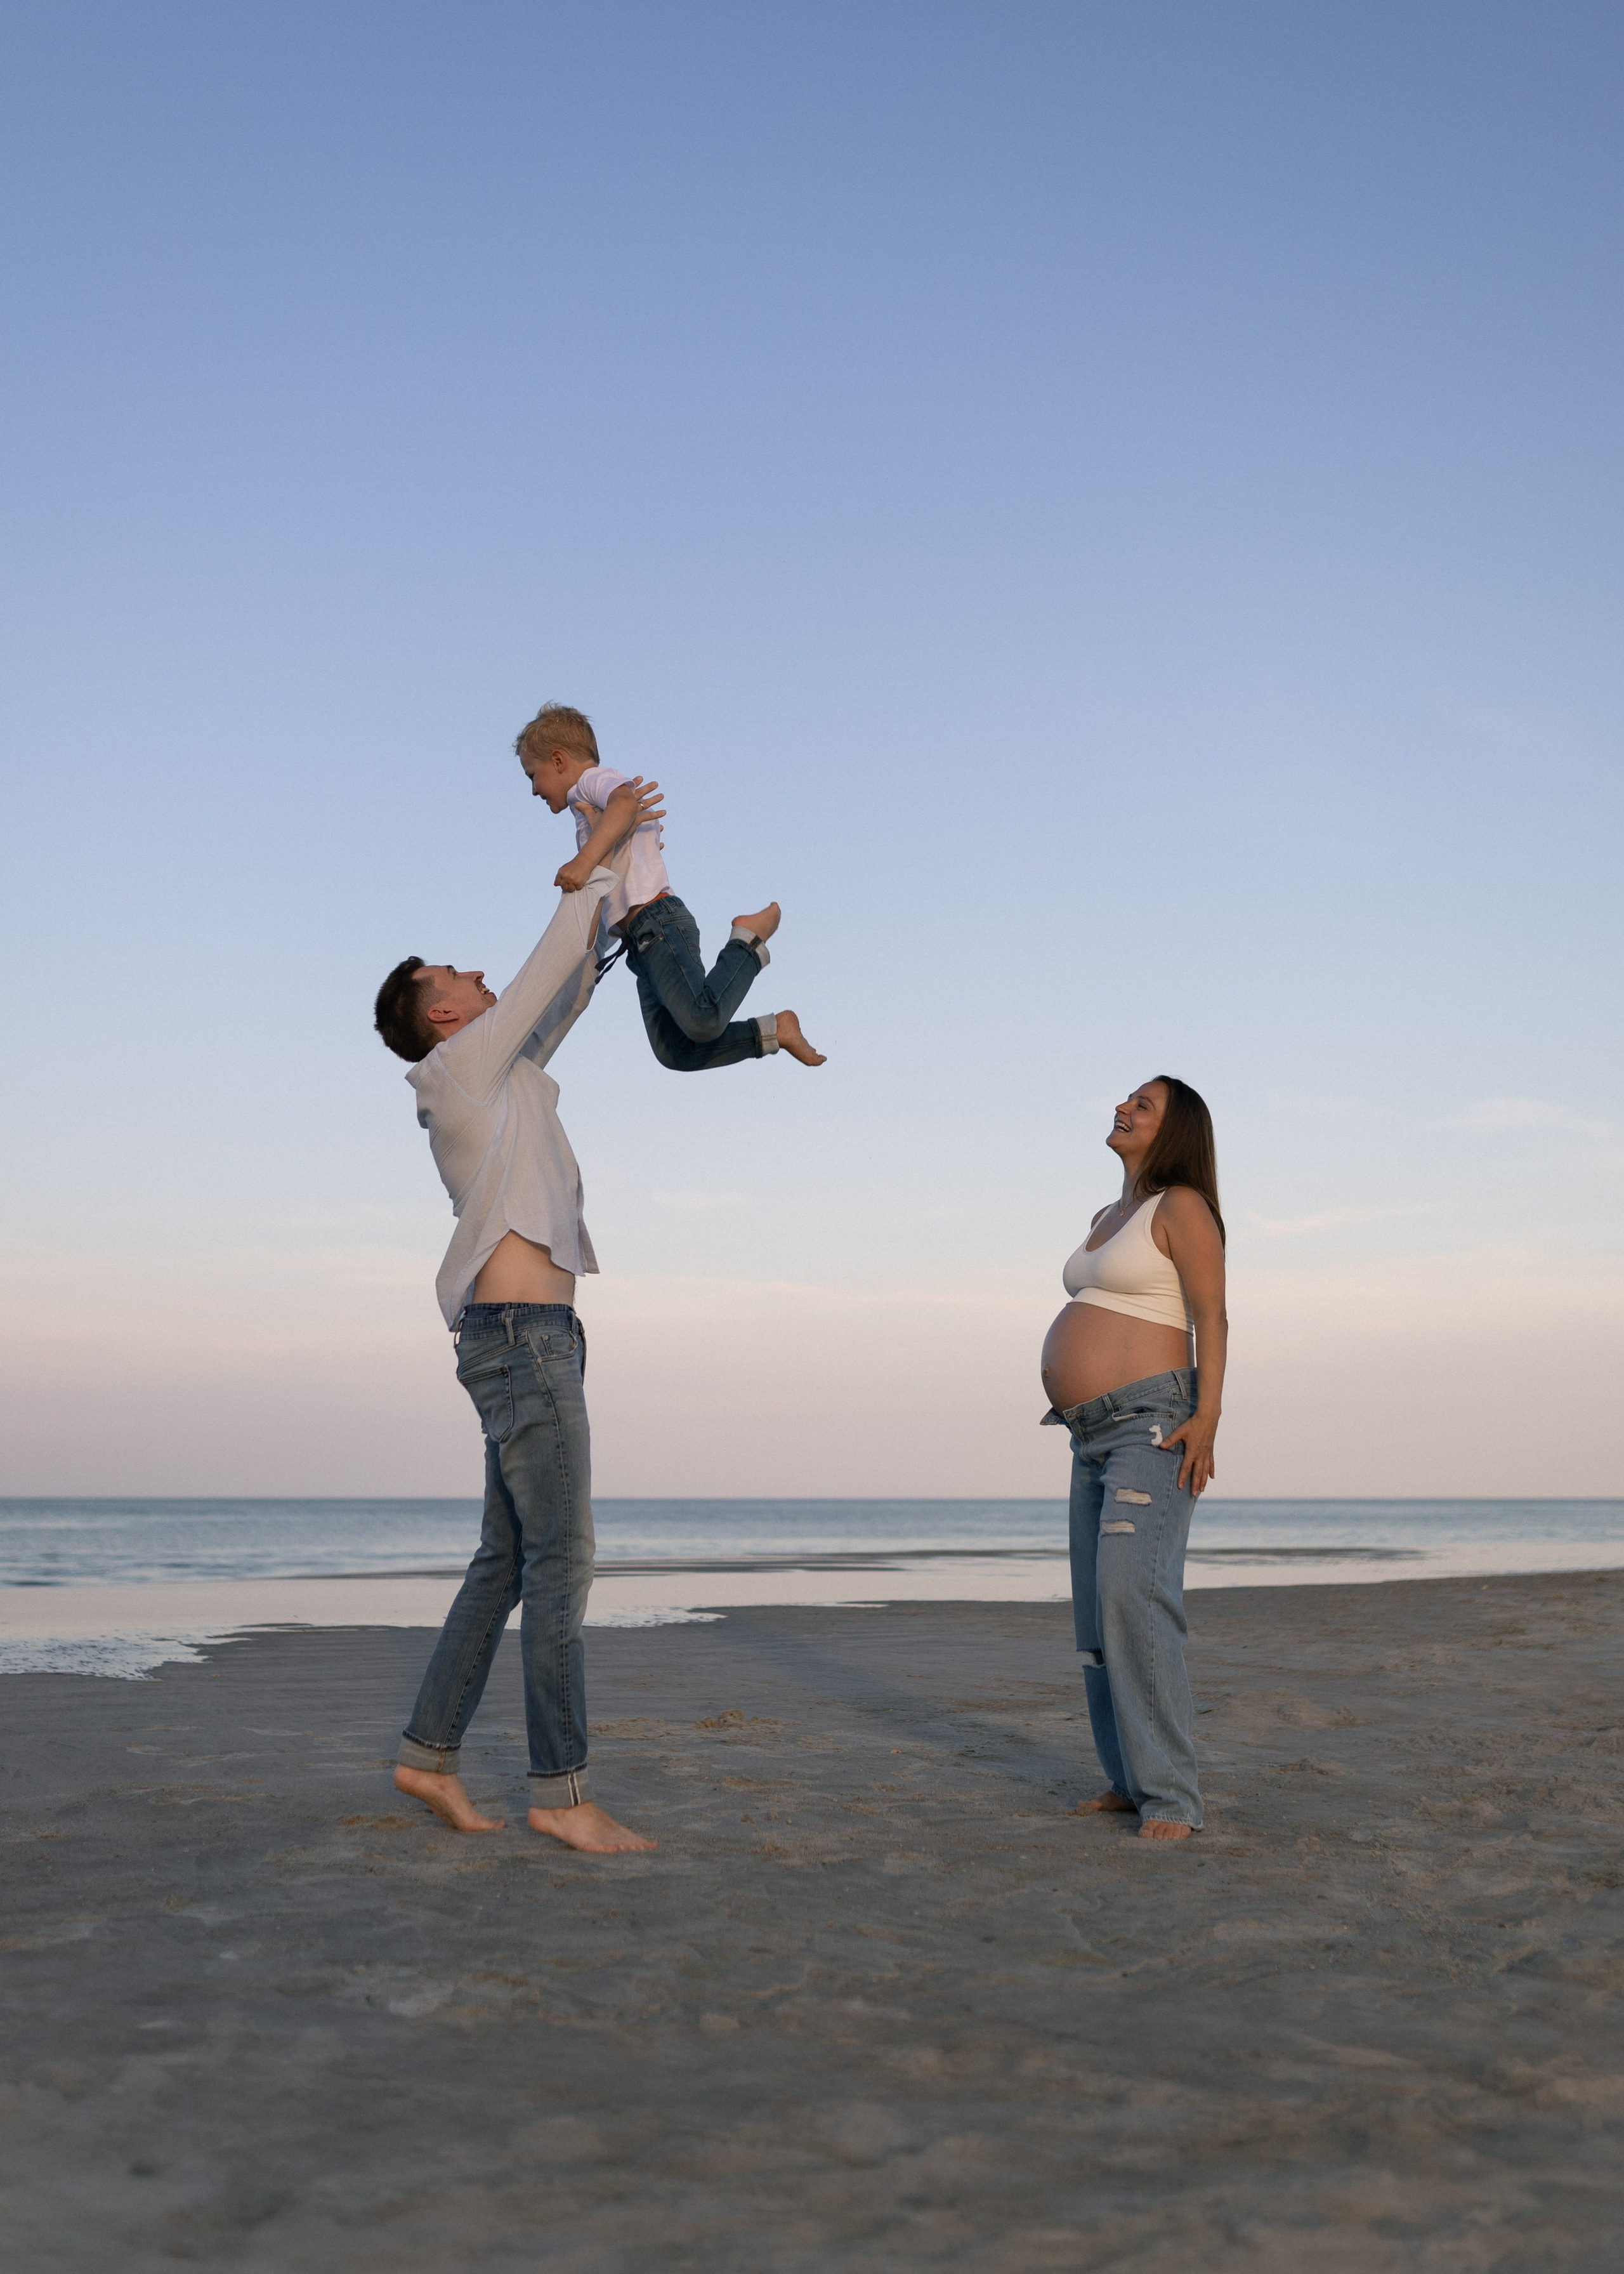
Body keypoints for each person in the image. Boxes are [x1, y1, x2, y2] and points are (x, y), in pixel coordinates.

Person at [370, 773, 664, 1853]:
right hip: (520, 1341)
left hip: (534, 1341)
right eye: (459, 972)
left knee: (506, 1557)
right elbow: (542, 965)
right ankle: (561, 1789)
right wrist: (594, 858)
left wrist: (608, 866)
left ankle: (426, 1755)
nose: (481, 973)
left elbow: (566, 985)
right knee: (561, 1559)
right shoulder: (455, 1071)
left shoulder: (507, 1079)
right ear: (439, 1015)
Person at [1039, 1077, 1228, 1841]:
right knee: (1095, 1613)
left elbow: (1211, 1313)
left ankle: (1172, 1797)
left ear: (1174, 1128)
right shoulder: (1105, 1216)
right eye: (1125, 1099)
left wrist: (1207, 1417)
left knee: (1133, 1596)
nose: (1122, 1108)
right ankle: (1127, 1779)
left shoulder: (1181, 1206)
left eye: (1142, 1105)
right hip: (1088, 1432)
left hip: (1152, 1424)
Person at [514, 701, 826, 1073]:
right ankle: (773, 1032)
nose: (534, 789)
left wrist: (583, 862)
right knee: (674, 1050)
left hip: (657, 924)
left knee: (703, 1020)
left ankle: (747, 942)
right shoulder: (587, 808)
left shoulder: (591, 782)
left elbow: (625, 802)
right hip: (640, 942)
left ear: (559, 760)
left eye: (533, 775)